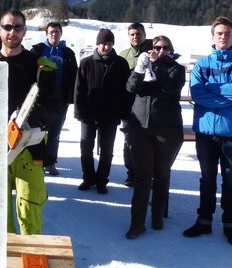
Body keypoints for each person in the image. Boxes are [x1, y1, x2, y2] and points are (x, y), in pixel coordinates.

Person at [0, 9, 60, 235]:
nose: (12, 32)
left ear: (24, 31)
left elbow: (55, 105)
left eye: (17, 27)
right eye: (7, 27)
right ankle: (4, 253)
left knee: (30, 208)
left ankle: (31, 251)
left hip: (30, 149)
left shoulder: (40, 67)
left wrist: (34, 118)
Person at [124, 35, 185, 238]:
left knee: (161, 173)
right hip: (140, 128)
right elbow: (130, 88)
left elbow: (169, 87)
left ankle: (157, 216)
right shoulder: (144, 66)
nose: (160, 51)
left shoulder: (176, 69)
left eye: (165, 48)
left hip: (167, 129)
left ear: (171, 50)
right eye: (157, 48)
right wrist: (139, 70)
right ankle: (137, 223)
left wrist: (157, 65)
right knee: (142, 176)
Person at [183, 17, 232, 244]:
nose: (224, 37)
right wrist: (226, 96)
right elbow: (197, 94)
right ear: (213, 36)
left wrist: (212, 90)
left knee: (230, 180)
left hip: (230, 132)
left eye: (228, 33)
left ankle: (229, 223)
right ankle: (204, 220)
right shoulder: (202, 64)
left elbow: (205, 94)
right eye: (220, 33)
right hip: (205, 132)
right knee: (207, 178)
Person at [74, 28, 131, 194]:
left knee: (107, 150)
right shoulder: (86, 63)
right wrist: (79, 111)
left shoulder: (120, 63)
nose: (106, 47)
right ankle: (88, 177)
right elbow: (79, 89)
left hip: (111, 113)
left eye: (109, 44)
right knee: (86, 147)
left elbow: (126, 91)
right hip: (89, 113)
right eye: (103, 44)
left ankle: (102, 180)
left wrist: (124, 112)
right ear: (97, 44)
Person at [31, 22, 78, 176]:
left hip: (60, 100)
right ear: (46, 34)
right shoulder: (38, 50)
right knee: (37, 132)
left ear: (61, 34)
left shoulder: (68, 53)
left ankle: (50, 162)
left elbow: (74, 76)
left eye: (57, 32)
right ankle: (37, 161)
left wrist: (70, 97)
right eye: (51, 32)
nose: (54, 34)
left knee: (54, 133)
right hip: (39, 100)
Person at [120, 23, 153, 187]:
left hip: (149, 106)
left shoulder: (153, 52)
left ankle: (148, 174)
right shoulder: (123, 55)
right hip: (128, 107)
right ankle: (131, 173)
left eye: (138, 34)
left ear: (144, 35)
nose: (135, 37)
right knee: (129, 142)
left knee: (148, 142)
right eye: (132, 34)